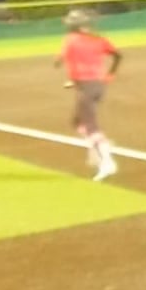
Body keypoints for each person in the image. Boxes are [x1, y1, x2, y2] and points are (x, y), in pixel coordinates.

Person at [55, 9, 122, 182]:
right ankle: (99, 148)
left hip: (86, 87)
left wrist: (61, 64)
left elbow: (60, 60)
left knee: (90, 126)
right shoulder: (98, 39)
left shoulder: (71, 40)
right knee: (77, 122)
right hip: (97, 85)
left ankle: (107, 161)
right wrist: (110, 75)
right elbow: (117, 56)